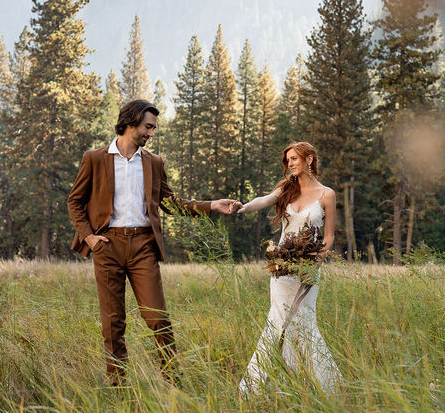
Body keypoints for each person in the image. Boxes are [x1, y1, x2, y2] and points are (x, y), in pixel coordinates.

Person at [67, 99, 239, 384]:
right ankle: (118, 386)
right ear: (131, 122)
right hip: (107, 247)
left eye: (153, 128)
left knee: (157, 317)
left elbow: (171, 203)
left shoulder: (153, 162)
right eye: (148, 127)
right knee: (112, 322)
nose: (151, 133)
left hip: (143, 246)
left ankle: (173, 381)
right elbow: (75, 201)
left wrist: (212, 205)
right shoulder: (95, 158)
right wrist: (89, 237)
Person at [234, 141, 341, 394]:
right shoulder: (286, 189)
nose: (290, 163)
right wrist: (245, 206)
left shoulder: (327, 194)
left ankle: (319, 384)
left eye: (294, 158)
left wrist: (317, 258)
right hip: (281, 269)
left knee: (304, 322)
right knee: (278, 320)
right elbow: (266, 199)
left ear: (310, 159)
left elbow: (329, 237)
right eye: (288, 160)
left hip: (307, 269)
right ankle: (262, 384)